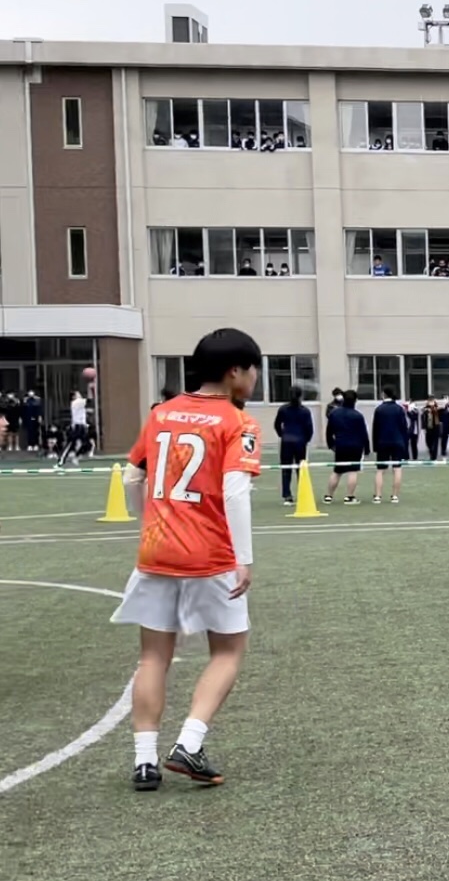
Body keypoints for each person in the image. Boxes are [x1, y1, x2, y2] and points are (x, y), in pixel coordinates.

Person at [113, 328, 266, 790]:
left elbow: (132, 477)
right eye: (254, 369)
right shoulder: (238, 422)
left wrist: (150, 525)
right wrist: (243, 558)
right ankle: (189, 743)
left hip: (156, 551)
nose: (255, 378)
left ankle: (144, 761)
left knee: (153, 656)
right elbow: (235, 492)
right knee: (228, 651)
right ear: (235, 371)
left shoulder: (161, 413)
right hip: (210, 554)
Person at [324, 390, 368, 504]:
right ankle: (349, 497)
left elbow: (329, 431)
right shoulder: (358, 416)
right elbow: (363, 433)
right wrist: (367, 448)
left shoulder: (334, 414)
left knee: (337, 471)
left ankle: (329, 496)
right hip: (355, 446)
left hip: (340, 445)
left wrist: (331, 444)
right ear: (355, 400)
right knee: (353, 471)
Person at [274, 387, 315, 507]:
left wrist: (282, 434)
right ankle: (302, 492)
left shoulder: (283, 409)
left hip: (286, 441)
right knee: (301, 469)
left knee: (286, 468)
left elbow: (277, 424)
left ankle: (287, 495)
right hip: (300, 441)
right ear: (301, 396)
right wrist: (306, 439)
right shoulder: (305, 411)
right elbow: (309, 428)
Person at [370, 385, 409, 504]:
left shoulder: (379, 409)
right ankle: (395, 496)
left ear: (383, 394)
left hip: (382, 442)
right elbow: (404, 428)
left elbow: (375, 429)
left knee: (380, 470)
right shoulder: (399, 409)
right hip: (398, 442)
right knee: (397, 469)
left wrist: (375, 446)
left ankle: (378, 496)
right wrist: (405, 445)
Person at [59, 390, 90, 466]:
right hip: (77, 427)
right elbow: (89, 400)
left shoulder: (79, 403)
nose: (80, 394)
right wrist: (91, 390)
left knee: (87, 444)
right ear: (74, 396)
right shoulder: (76, 402)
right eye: (78, 394)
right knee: (71, 444)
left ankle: (76, 456)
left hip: (82, 426)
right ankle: (61, 460)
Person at [19, 388, 41, 453]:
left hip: (35, 417)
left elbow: (39, 409)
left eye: (32, 392)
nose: (31, 393)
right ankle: (30, 444)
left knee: (36, 431)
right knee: (29, 432)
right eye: (29, 392)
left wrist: (40, 416)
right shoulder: (25, 400)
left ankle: (36, 444)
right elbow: (22, 410)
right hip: (28, 418)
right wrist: (21, 418)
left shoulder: (37, 400)